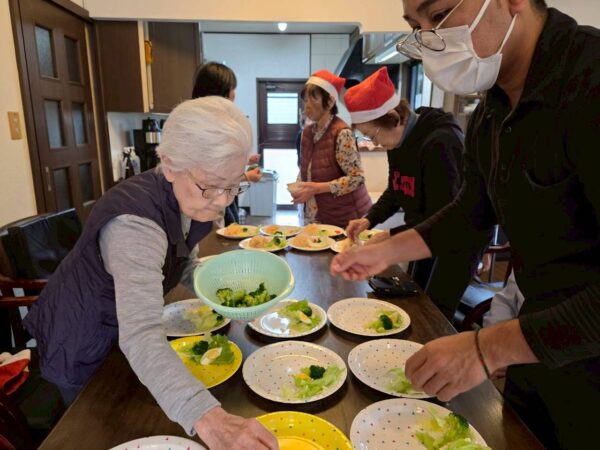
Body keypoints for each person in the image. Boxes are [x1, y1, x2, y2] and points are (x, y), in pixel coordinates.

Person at [331, 0, 600, 447]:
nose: (430, 40)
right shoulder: (490, 113)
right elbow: (469, 215)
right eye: (417, 26)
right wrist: (385, 250)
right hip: (537, 349)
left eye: (438, 16)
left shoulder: (588, 81)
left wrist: (485, 346)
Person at [23, 97, 278, 450]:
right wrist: (212, 420)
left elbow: (183, 261)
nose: (223, 201)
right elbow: (141, 335)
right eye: (211, 186)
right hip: (81, 340)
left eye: (234, 185)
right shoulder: (134, 225)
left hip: (120, 335)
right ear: (170, 165)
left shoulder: (185, 196)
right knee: (92, 430)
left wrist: (225, 295)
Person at [344, 67, 480, 319]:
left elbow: (442, 214)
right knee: (413, 295)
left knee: (434, 312)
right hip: (422, 232)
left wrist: (389, 237)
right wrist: (369, 219)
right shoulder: (398, 141)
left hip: (456, 240)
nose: (375, 143)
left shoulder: (440, 142)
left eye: (372, 135)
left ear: (393, 117)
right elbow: (396, 188)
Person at [292, 70, 372, 228]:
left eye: (313, 99)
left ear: (329, 102)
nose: (307, 105)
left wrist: (316, 188)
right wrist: (299, 186)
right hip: (315, 213)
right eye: (305, 99)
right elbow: (306, 168)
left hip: (343, 217)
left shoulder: (342, 133)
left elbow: (356, 179)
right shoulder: (306, 133)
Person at [192, 61, 262, 225]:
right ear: (220, 92)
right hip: (207, 205)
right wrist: (247, 176)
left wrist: (244, 161)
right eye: (232, 88)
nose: (234, 94)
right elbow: (210, 177)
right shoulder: (206, 126)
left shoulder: (202, 119)